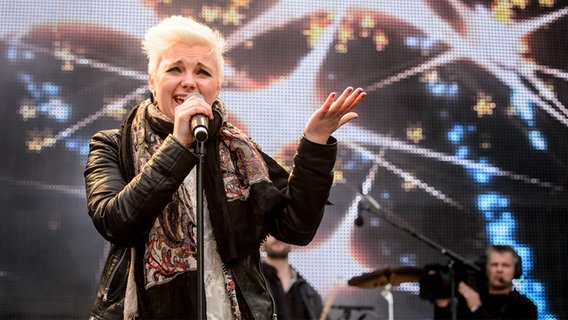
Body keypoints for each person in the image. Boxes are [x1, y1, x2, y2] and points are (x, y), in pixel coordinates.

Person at [84, 15, 366, 320]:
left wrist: (315, 144)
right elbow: (115, 222)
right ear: (153, 81)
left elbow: (296, 227)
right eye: (175, 69)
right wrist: (178, 144)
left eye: (202, 72)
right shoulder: (112, 144)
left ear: (216, 87)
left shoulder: (238, 150)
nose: (189, 81)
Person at [433, 245, 537, 319]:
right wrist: (442, 303)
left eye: (505, 265)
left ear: (516, 270)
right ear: (485, 269)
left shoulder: (524, 307)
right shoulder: (465, 303)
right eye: (494, 265)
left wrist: (476, 308)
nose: (499, 270)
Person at [260, 235, 325, 320]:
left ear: (293, 244)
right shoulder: (253, 284)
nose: (277, 237)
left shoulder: (309, 292)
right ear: (261, 244)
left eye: (282, 231)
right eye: (272, 232)